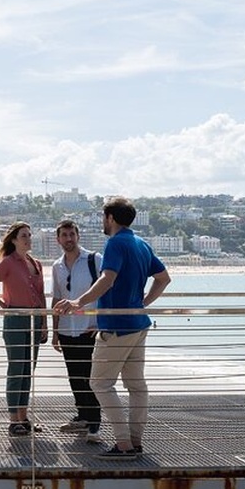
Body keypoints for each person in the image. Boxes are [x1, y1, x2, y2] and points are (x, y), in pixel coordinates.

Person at [54, 197, 171, 460]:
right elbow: (163, 279)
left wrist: (77, 302)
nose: (101, 222)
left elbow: (108, 278)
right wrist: (142, 303)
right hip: (138, 324)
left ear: (111, 218)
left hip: (117, 326)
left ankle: (123, 444)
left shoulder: (116, 243)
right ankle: (135, 442)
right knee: (136, 386)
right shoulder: (141, 243)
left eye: (103, 217)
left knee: (99, 382)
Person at [0, 221, 48, 436]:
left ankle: (24, 417)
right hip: (16, 320)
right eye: (23, 236)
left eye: (29, 235)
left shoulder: (36, 263)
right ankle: (13, 420)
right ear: (13, 240)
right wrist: (5, 306)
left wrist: (44, 323)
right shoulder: (8, 263)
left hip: (35, 319)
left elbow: (41, 296)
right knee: (16, 368)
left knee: (29, 370)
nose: (28, 239)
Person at [50, 219, 103, 444]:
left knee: (90, 376)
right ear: (58, 239)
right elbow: (55, 298)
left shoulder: (94, 259)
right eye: (64, 235)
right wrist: (54, 331)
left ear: (78, 236)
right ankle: (82, 415)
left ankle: (95, 423)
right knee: (74, 376)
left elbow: (106, 289)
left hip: (88, 329)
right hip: (66, 329)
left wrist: (100, 321)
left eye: (72, 234)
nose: (69, 239)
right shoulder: (56, 266)